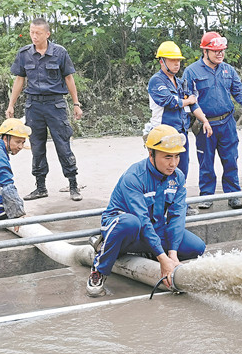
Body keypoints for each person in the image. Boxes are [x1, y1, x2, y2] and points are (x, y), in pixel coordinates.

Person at [86, 125, 206, 297]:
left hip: (152, 228)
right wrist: (162, 258)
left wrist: (172, 254)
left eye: (177, 156)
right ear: (151, 154)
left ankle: (146, 251)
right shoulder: (134, 177)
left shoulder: (177, 177)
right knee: (130, 222)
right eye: (167, 157)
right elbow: (141, 219)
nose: (173, 163)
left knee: (196, 247)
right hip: (125, 227)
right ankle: (100, 267)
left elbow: (177, 216)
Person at [7, 17, 83, 202]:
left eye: (38, 33)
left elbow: (69, 78)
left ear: (47, 34)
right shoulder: (24, 53)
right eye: (32, 32)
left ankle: (73, 185)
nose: (34, 36)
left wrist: (76, 104)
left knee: (63, 145)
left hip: (55, 105)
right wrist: (11, 104)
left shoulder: (60, 53)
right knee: (37, 147)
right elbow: (19, 80)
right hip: (33, 106)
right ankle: (40, 187)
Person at [181, 32, 242, 209]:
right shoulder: (191, 72)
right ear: (205, 51)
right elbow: (188, 99)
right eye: (216, 51)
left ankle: (233, 195)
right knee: (206, 162)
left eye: (222, 50)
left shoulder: (228, 70)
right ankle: (206, 195)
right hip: (205, 124)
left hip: (227, 123)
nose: (220, 54)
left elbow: (237, 89)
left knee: (231, 160)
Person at [144, 41, 213, 215]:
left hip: (180, 134)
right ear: (162, 61)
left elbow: (193, 103)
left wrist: (204, 120)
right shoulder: (156, 81)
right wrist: (187, 101)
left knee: (181, 171)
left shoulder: (180, 82)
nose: (176, 64)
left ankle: (179, 205)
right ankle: (158, 207)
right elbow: (169, 101)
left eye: (178, 60)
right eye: (172, 60)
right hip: (162, 134)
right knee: (161, 171)